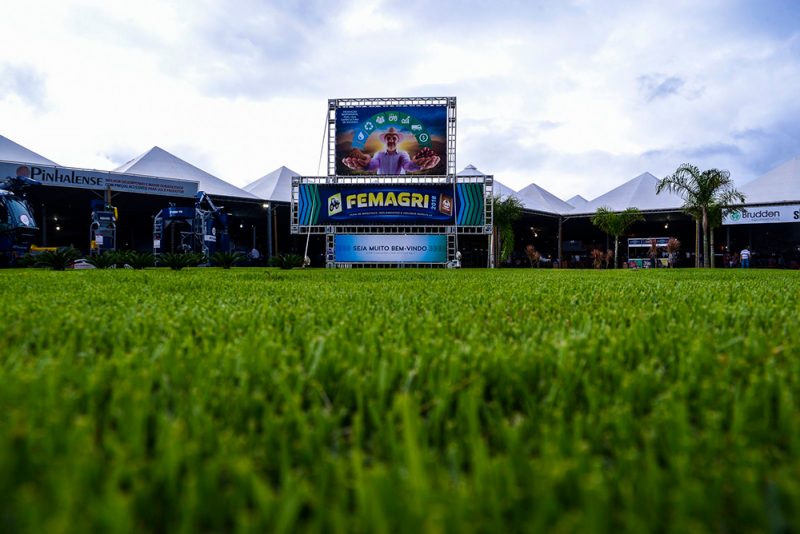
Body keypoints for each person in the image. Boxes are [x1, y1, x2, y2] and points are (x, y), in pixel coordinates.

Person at [341, 127, 440, 174]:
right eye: (388, 138)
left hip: (400, 188)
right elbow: (373, 165)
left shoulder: (403, 154)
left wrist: (417, 164)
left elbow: (407, 166)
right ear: (385, 140)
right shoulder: (378, 154)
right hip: (382, 188)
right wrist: (365, 163)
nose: (391, 140)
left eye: (394, 138)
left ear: (398, 141)